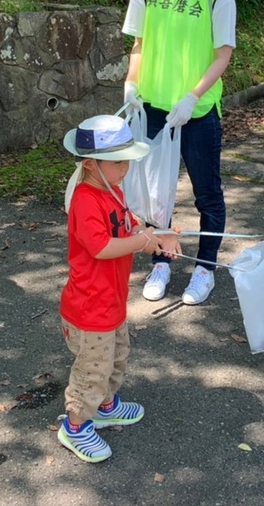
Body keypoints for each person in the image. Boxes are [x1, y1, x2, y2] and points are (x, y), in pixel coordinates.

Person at [122, 0, 236, 305]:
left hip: (198, 111)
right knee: (156, 191)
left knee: (207, 193)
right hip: (153, 107)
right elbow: (138, 44)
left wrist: (192, 95)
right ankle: (161, 261)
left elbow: (222, 54)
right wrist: (131, 83)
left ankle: (205, 268)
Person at [58, 115, 182, 463]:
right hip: (88, 306)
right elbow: (101, 247)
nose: (126, 167)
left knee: (115, 357)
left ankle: (106, 406)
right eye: (117, 162)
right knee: (91, 370)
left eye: (127, 159)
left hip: (110, 300)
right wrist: (142, 242)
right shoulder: (85, 200)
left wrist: (159, 235)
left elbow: (130, 225)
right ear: (90, 164)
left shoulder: (113, 190)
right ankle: (77, 426)